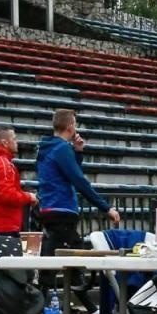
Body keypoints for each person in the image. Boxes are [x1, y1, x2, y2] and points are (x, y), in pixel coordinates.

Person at [35, 109, 119, 257]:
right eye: (75, 124)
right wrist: (106, 208)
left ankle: (62, 278)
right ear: (70, 126)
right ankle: (50, 279)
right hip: (62, 207)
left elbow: (67, 173)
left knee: (63, 251)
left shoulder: (46, 147)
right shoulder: (62, 148)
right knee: (68, 254)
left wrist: (77, 153)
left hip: (49, 206)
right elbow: (78, 180)